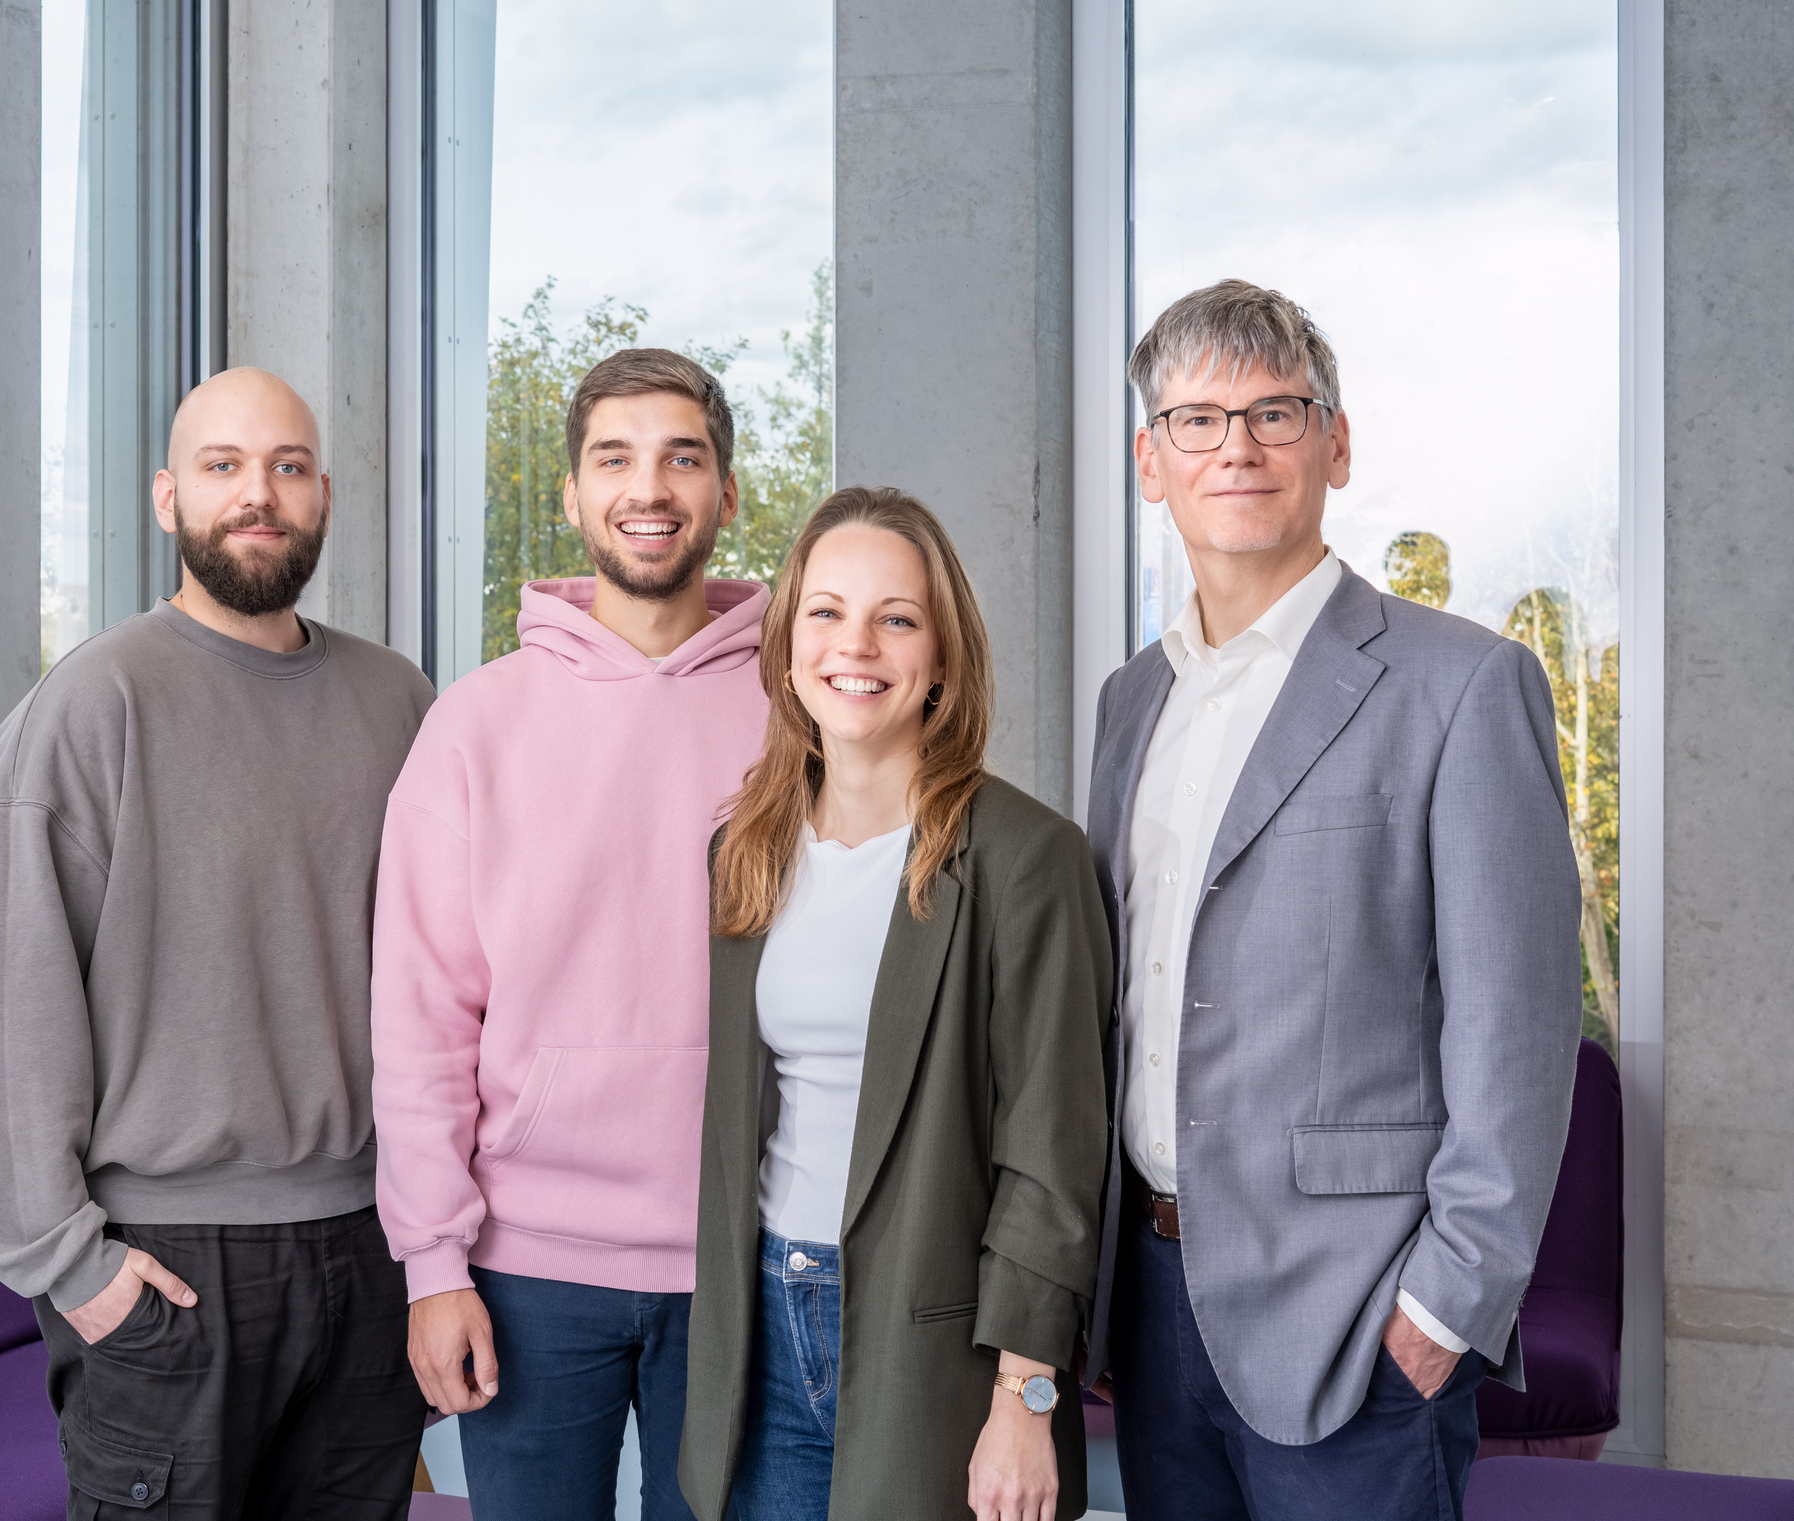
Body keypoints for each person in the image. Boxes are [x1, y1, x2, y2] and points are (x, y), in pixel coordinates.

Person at [1083, 279, 1583, 1519]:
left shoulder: (1461, 686)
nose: (1235, 448)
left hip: (1357, 1316)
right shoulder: (1128, 702)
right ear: (1150, 463)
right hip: (1148, 1300)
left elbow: (1514, 1028)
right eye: (1196, 421)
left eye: (1274, 412)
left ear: (1334, 444)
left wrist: (1442, 1309)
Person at [0, 367, 436, 1520]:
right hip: (169, 1263)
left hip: (373, 1246)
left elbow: (458, 969)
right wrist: (70, 1267)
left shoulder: (398, 702)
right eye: (222, 466)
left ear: (323, 497)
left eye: (287, 467)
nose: (258, 493)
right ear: (168, 499)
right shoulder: (93, 705)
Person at [370, 349, 769, 1521]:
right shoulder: (474, 724)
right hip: (524, 1268)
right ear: (572, 494)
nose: (647, 488)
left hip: (746, 1258)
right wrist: (431, 1267)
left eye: (680, 459)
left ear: (725, 493)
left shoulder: (798, 715)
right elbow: (421, 1019)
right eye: (614, 459)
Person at [678, 487, 1112, 1521]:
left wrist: (1025, 1396)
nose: (856, 645)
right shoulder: (744, 852)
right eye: (826, 611)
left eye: (897, 618)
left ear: (943, 658)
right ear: (787, 647)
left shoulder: (1025, 858)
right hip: (759, 1329)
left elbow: (1052, 1160)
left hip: (938, 1354)